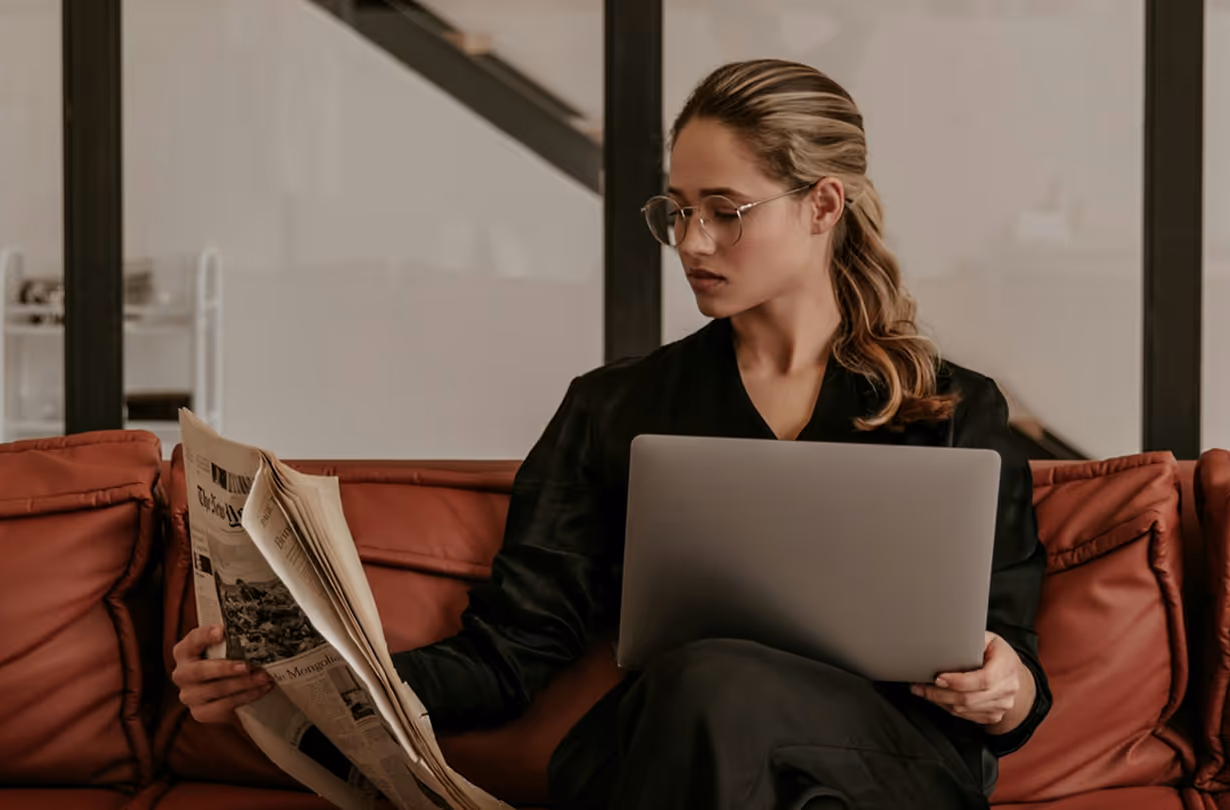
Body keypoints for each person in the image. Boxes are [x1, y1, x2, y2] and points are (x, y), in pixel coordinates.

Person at [171, 58, 1051, 809]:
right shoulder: (616, 408)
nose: (691, 241)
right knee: (699, 691)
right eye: (675, 210)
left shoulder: (949, 410)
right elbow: (512, 651)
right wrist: (300, 676)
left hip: (888, 764)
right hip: (674, 745)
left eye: (724, 210)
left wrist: (1004, 687)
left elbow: (1013, 666)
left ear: (822, 205)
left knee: (713, 680)